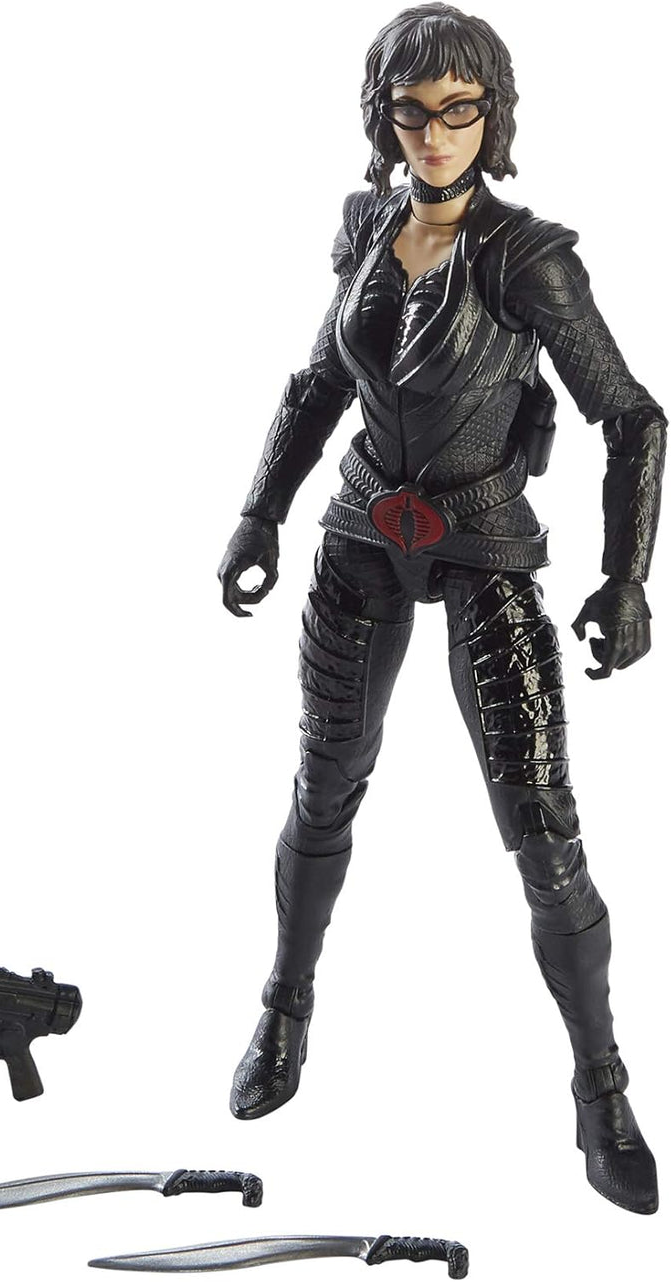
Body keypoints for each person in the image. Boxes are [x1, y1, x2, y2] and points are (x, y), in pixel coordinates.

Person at [218, 3, 665, 1217]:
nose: (432, 134)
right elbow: (320, 381)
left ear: (490, 117)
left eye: (457, 111)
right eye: (411, 112)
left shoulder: (527, 259)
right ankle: (283, 1008)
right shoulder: (367, 227)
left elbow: (633, 417)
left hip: (480, 543)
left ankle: (601, 1087)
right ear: (385, 120)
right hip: (364, 530)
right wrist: (261, 510)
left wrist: (626, 578)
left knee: (542, 825)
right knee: (323, 783)